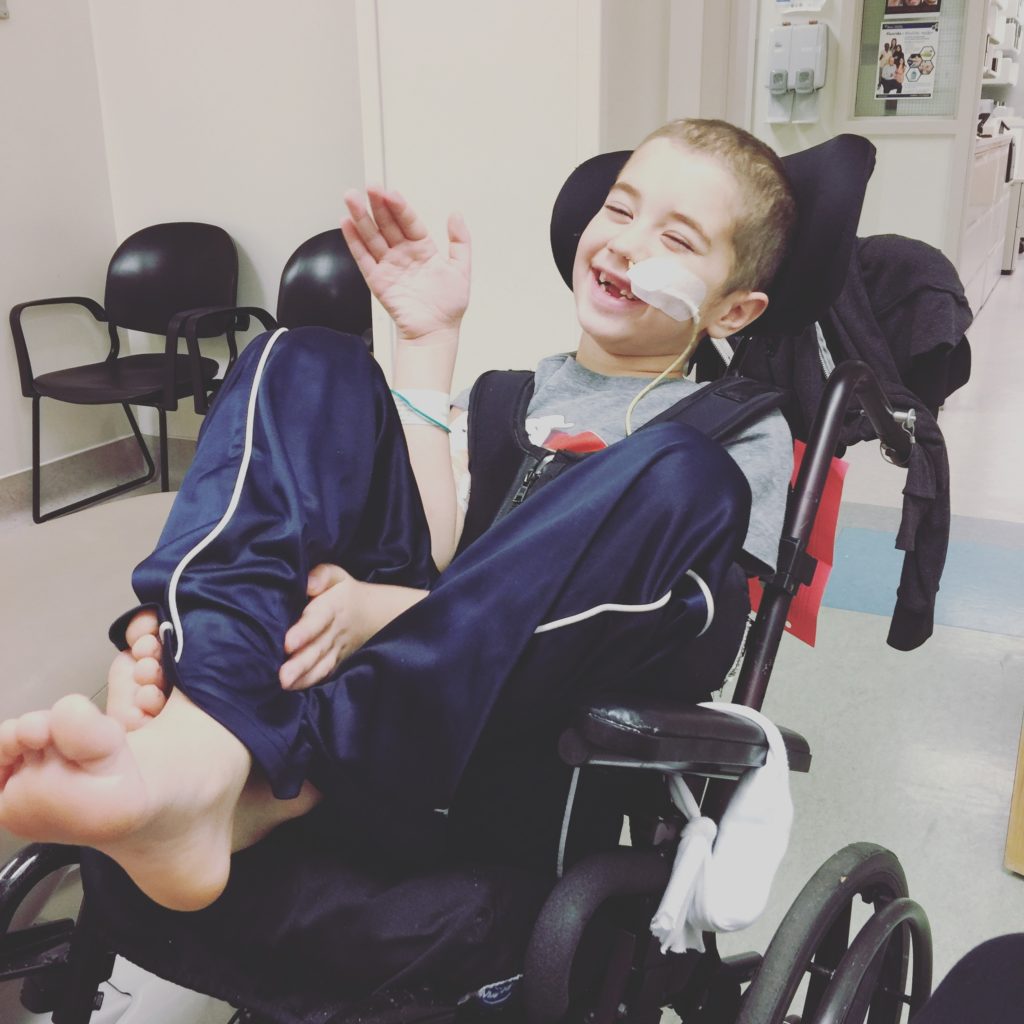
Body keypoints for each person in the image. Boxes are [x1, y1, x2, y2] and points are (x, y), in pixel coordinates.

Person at [0, 119, 796, 913]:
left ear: (733, 311)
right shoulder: (505, 398)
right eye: (619, 210)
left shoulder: (729, 435)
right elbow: (433, 542)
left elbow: (686, 634)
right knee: (300, 357)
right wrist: (427, 340)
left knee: (683, 473)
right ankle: (198, 738)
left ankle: (270, 776)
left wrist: (385, 615)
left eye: (676, 239)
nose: (626, 243)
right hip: (357, 665)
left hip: (500, 735)